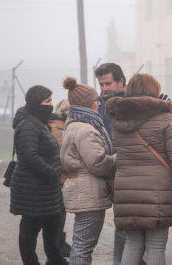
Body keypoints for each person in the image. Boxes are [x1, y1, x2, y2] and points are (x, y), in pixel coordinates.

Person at [105, 73, 172, 265]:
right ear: (154, 92)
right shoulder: (165, 120)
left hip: (126, 191)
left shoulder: (117, 121)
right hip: (158, 192)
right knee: (155, 246)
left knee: (132, 244)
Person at [60, 77, 116, 265]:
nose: (99, 102)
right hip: (88, 194)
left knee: (80, 244)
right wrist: (121, 156)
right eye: (95, 99)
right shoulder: (85, 129)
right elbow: (99, 164)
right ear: (87, 103)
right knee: (83, 247)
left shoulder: (74, 124)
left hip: (83, 191)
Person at [10, 85, 68, 265]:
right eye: (46, 101)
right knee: (30, 228)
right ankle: (31, 262)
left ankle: (55, 259)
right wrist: (51, 172)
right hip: (33, 188)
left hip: (47, 188)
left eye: (51, 100)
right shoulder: (28, 124)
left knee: (53, 225)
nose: (50, 105)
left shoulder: (40, 122)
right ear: (36, 103)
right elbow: (29, 155)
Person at [94, 62, 127, 265]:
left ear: (121, 81)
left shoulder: (135, 101)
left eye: (108, 84)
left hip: (130, 170)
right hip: (108, 169)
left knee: (129, 222)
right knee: (121, 222)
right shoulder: (97, 104)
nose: (104, 89)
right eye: (101, 85)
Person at [49, 99, 71, 257]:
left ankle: (59, 242)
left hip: (64, 177)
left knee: (61, 211)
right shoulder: (57, 126)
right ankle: (57, 244)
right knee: (59, 212)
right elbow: (59, 152)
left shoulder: (64, 125)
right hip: (59, 177)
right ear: (63, 111)